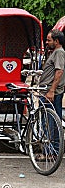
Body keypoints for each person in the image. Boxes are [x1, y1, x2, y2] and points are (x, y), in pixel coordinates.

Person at [37, 29, 65, 161]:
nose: (47, 42)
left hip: (51, 93)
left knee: (49, 123)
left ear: (56, 41)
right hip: (48, 91)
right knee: (51, 122)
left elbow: (59, 72)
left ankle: (49, 152)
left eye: (49, 40)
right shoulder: (55, 53)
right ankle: (52, 152)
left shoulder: (59, 53)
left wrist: (51, 90)